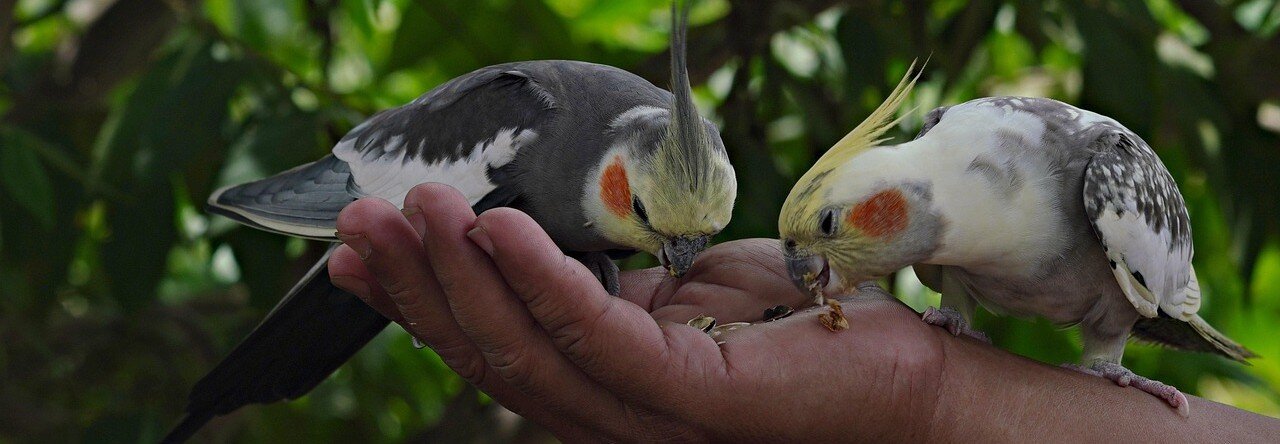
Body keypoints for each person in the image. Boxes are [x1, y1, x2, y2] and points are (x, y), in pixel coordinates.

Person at [327, 183, 1279, 442]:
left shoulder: (1093, 177)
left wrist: (933, 399)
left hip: (1117, 311)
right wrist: (942, 368)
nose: (811, 273)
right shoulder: (944, 172)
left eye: (825, 238)